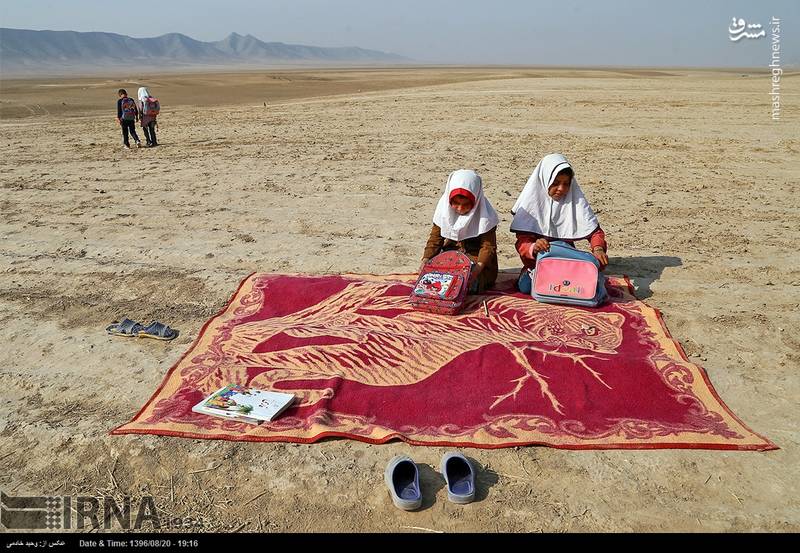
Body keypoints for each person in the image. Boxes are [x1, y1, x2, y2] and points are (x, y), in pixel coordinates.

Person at [510, 153, 609, 294]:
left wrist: (598, 249)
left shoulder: (574, 201)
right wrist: (534, 247)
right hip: (539, 265)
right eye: (555, 183)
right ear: (545, 180)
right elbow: (522, 243)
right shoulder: (530, 206)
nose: (561, 189)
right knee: (526, 286)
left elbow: (595, 232)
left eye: (566, 184)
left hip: (567, 264)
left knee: (591, 288)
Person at [421, 169, 500, 293]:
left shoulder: (485, 216)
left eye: (466, 204)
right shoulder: (444, 211)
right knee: (434, 279)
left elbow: (488, 247)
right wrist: (425, 260)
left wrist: (476, 270)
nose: (460, 209)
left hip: (477, 263)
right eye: (456, 203)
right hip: (451, 257)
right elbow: (435, 239)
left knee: (464, 283)